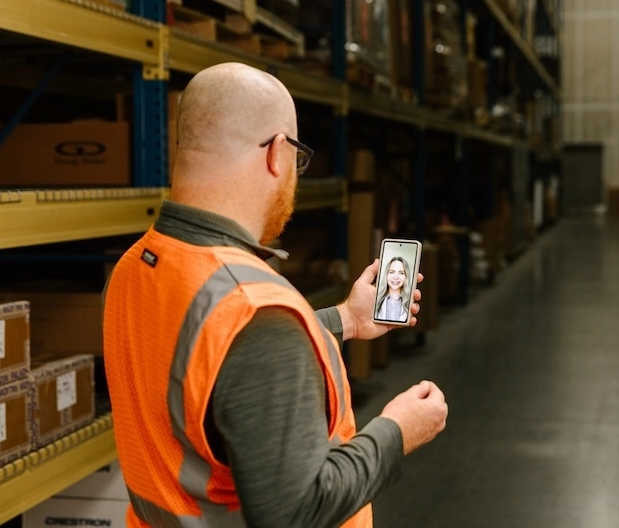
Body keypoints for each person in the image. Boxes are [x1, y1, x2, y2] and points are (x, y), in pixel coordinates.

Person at [103, 62, 448, 528]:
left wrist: (345, 318)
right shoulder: (253, 309)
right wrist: (397, 431)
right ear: (277, 153)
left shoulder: (136, 266)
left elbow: (207, 366)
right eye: (299, 159)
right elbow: (296, 510)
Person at [375, 256, 411, 322]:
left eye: (401, 273)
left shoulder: (410, 302)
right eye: (392, 272)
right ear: (386, 274)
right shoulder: (376, 299)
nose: (396, 277)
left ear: (406, 276)